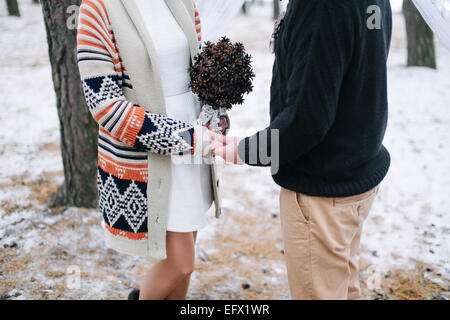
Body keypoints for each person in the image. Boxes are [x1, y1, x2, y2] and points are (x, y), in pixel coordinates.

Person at [212, 0, 393, 300]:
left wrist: (244, 150)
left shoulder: (321, 7)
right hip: (354, 176)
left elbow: (306, 121)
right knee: (344, 291)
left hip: (323, 192)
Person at [76, 0, 227, 300]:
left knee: (187, 254)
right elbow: (105, 106)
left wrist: (214, 108)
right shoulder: (97, 9)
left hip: (194, 145)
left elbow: (197, 70)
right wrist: (185, 139)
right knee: (180, 263)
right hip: (147, 155)